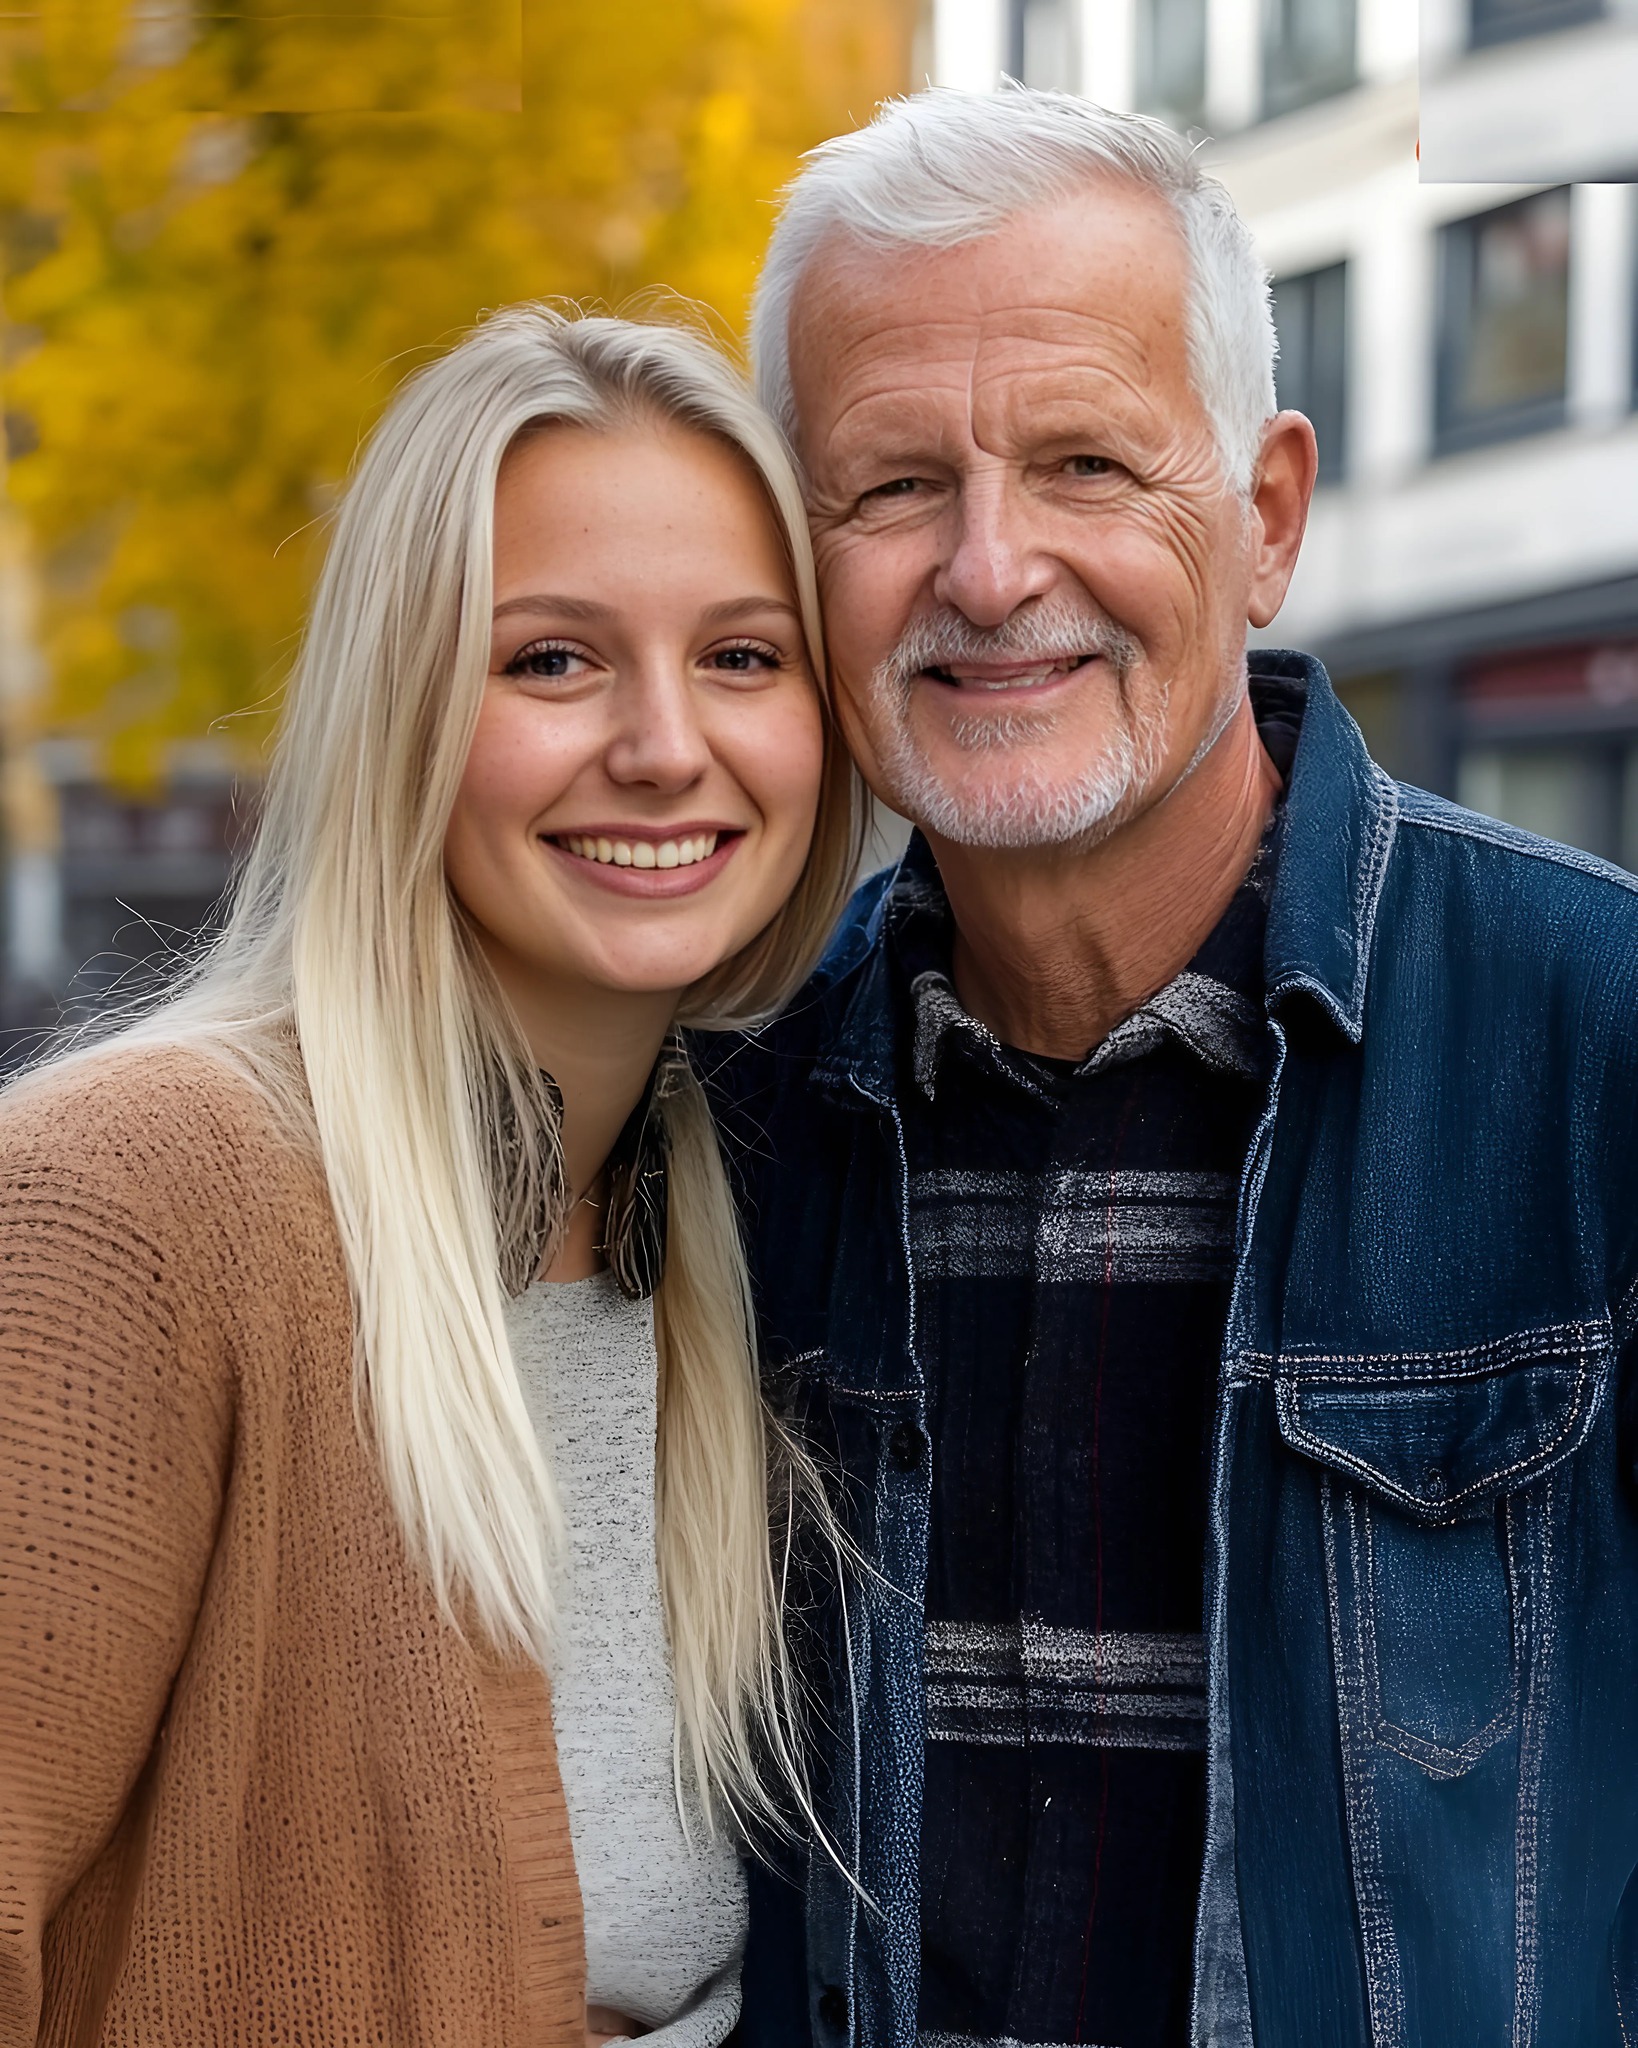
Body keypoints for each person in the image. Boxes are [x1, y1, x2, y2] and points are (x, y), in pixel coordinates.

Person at [713, 86, 1638, 2048]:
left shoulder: (1596, 1042)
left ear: (1268, 517)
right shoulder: (734, 1128)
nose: (986, 566)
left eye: (1084, 463)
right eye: (889, 488)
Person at [0, 306, 862, 2047]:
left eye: (744, 657)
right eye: (550, 660)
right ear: (405, 706)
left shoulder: (738, 1222)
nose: (661, 745)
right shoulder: (130, 1206)